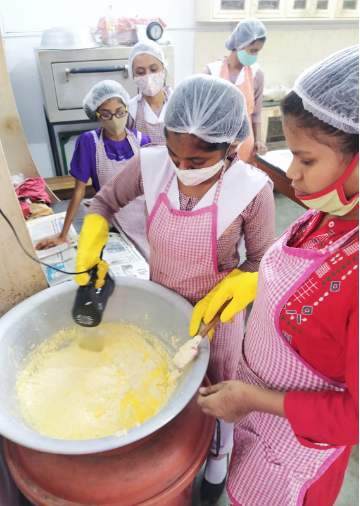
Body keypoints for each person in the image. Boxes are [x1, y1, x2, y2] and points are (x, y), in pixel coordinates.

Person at [72, 74, 275, 503]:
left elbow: (262, 260)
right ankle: (173, 449)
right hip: (160, 303)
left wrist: (246, 282)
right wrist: (91, 241)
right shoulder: (151, 164)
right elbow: (106, 201)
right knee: (162, 384)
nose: (182, 168)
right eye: (175, 154)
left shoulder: (251, 190)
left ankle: (219, 455)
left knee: (216, 392)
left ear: (229, 146)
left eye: (198, 160)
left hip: (217, 317)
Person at [190, 46, 359, 505]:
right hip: (255, 423)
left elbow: (353, 417)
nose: (293, 176)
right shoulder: (323, 216)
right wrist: (256, 283)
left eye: (306, 161)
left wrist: (252, 399)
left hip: (298, 453)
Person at [35, 80, 150, 255]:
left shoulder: (142, 140)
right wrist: (63, 234)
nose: (114, 119)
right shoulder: (89, 142)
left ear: (127, 109)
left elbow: (152, 187)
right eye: (106, 114)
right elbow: (79, 191)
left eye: (120, 112)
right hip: (114, 214)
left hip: (143, 213)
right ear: (96, 115)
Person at [203, 19, 267, 162]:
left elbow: (256, 114)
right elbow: (202, 114)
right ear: (239, 44)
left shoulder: (256, 74)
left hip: (246, 146)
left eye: (258, 51)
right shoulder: (211, 72)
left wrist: (259, 140)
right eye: (252, 50)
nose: (254, 56)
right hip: (216, 144)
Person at [127, 41, 171, 146]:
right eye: (141, 72)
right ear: (132, 75)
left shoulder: (178, 104)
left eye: (153, 69)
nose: (148, 76)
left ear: (164, 69)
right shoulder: (131, 110)